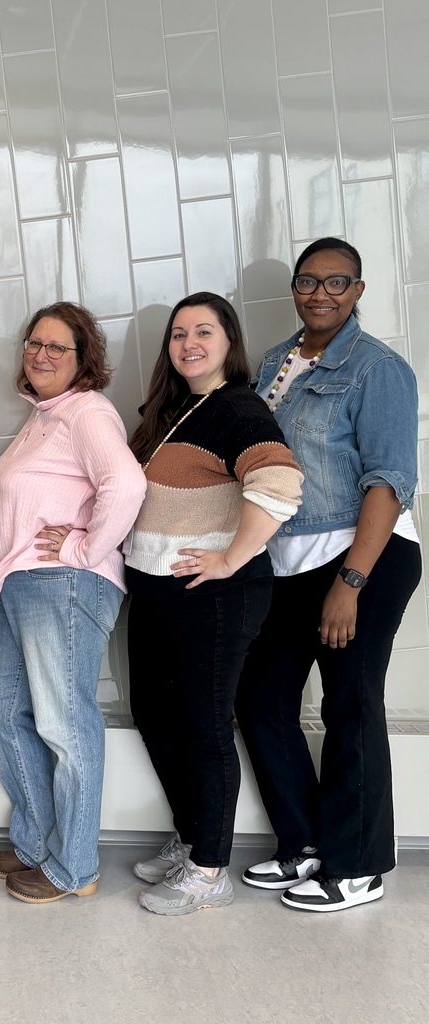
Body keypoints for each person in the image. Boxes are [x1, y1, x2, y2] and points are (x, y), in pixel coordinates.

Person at [235, 239, 421, 912]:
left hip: (362, 554)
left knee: (350, 702)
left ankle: (359, 866)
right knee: (261, 700)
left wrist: (352, 581)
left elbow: (390, 480)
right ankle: (308, 843)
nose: (320, 293)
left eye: (336, 282)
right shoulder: (275, 362)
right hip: (290, 560)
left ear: (358, 290)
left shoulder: (379, 368)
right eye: (308, 281)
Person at [123, 292, 303, 916]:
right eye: (179, 334)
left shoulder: (237, 407)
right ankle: (193, 837)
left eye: (204, 331)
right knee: (155, 715)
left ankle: (208, 871)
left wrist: (229, 558)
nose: (189, 343)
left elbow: (280, 482)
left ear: (229, 341)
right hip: (155, 591)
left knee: (203, 727)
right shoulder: (172, 411)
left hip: (214, 595)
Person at [0, 302, 146, 904]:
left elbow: (126, 484)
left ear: (83, 359)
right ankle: (36, 844)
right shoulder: (44, 418)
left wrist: (82, 548)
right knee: (7, 717)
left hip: (62, 584)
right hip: (21, 585)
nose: (41, 354)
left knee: (64, 723)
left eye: (57, 347)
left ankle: (75, 867)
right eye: (34, 343)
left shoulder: (87, 411)